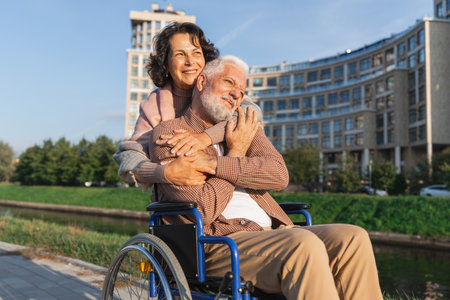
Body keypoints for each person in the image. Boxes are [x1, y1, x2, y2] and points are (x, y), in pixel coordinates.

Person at [148, 55, 384, 300]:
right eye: (229, 82)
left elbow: (279, 175)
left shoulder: (244, 127)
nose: (237, 94)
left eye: (242, 90)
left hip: (273, 232)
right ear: (202, 82)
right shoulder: (171, 133)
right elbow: (203, 207)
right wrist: (237, 152)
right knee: (302, 244)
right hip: (216, 242)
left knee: (353, 238)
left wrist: (217, 163)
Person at [114, 22, 260, 191]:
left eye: (196, 53)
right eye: (180, 54)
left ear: (205, 58)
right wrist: (165, 173)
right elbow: (130, 154)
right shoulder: (155, 104)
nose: (190, 61)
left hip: (232, 186)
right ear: (166, 64)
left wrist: (205, 138)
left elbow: (251, 113)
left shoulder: (223, 88)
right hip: (185, 195)